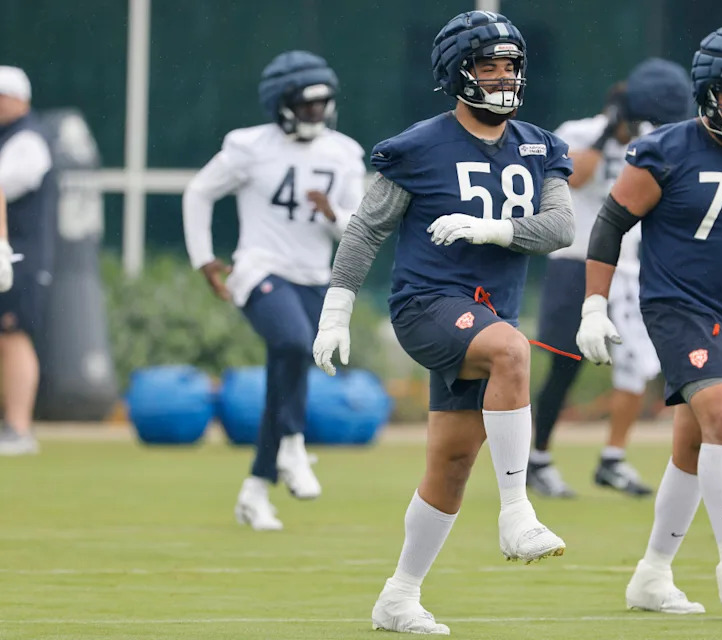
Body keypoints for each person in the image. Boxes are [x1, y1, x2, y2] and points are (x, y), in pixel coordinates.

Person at [312, 11, 573, 635]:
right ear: (458, 73)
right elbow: (367, 227)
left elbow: (561, 228)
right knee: (512, 351)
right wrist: (336, 311)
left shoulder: (538, 144)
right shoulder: (418, 146)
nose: (504, 78)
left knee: (451, 463)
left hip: (485, 312)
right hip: (427, 305)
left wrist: (493, 229)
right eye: (490, 65)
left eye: (511, 66)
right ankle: (516, 513)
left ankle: (398, 597)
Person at [576, 24, 722, 613]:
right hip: (678, 305)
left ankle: (652, 574)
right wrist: (593, 305)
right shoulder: (665, 150)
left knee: (694, 442)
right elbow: (610, 224)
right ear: (709, 92)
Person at [183, 51, 365, 531]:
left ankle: (256, 489)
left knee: (287, 369)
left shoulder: (344, 153)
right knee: (291, 343)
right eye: (306, 105)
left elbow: (360, 228)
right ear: (282, 104)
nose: (316, 113)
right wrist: (203, 256)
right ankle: (293, 444)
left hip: (312, 275)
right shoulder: (249, 146)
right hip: (259, 267)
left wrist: (331, 213)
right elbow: (199, 191)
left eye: (322, 104)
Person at [528, 58, 693, 499]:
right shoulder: (579, 131)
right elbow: (573, 178)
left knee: (636, 365)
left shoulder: (653, 143)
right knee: (565, 364)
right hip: (576, 259)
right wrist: (607, 135)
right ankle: (536, 458)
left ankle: (612, 459)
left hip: (631, 267)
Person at [0, 66, 54, 456]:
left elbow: (4, 187)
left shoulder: (28, 141)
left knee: (13, 335)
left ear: (18, 100)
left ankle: (19, 428)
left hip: (20, 256)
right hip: (10, 251)